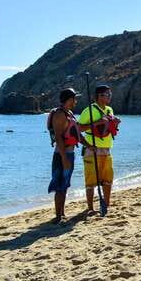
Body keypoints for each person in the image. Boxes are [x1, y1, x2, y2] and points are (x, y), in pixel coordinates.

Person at [78, 85, 120, 214]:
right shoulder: (89, 110)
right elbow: (78, 129)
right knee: (91, 181)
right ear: (99, 96)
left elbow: (109, 127)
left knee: (108, 179)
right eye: (107, 94)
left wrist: (115, 122)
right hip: (92, 149)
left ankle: (106, 204)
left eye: (110, 94)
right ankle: (90, 208)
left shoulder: (109, 109)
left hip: (107, 149)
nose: (110, 97)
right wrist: (97, 123)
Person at [47, 88, 86, 224]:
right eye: (75, 99)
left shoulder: (69, 114)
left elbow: (77, 133)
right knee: (59, 185)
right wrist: (64, 158)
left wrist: (89, 145)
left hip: (69, 153)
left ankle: (62, 213)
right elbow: (58, 137)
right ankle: (58, 216)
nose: (76, 101)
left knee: (65, 185)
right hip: (61, 155)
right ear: (69, 99)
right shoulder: (59, 114)